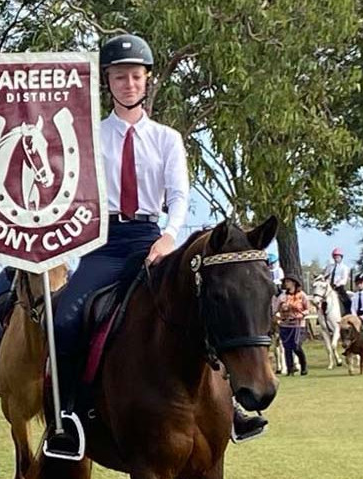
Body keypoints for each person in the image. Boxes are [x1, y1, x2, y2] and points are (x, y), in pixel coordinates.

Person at [43, 33, 264, 457]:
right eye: (120, 76)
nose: (129, 84)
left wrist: (169, 236)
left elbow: (178, 195)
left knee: (206, 306)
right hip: (103, 243)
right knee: (65, 318)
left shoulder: (167, 139)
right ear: (108, 82)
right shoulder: (86, 137)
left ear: (147, 81)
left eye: (136, 76)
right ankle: (67, 416)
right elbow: (72, 191)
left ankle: (231, 405)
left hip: (152, 237)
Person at [273, 276, 310, 377]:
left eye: (288, 282)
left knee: (296, 345)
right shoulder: (282, 296)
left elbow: (307, 309)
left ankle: (303, 365)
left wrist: (302, 314)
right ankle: (290, 369)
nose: (286, 284)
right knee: (287, 347)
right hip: (285, 324)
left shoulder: (302, 295)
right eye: (285, 282)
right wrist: (278, 317)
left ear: (294, 283)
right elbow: (275, 309)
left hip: (298, 324)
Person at [324, 248, 352, 316]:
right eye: (335, 257)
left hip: (339, 287)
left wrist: (337, 284)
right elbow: (326, 276)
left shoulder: (344, 268)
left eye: (338, 257)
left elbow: (344, 279)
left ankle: (348, 312)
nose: (336, 258)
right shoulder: (330, 267)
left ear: (341, 257)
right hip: (329, 286)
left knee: (346, 300)